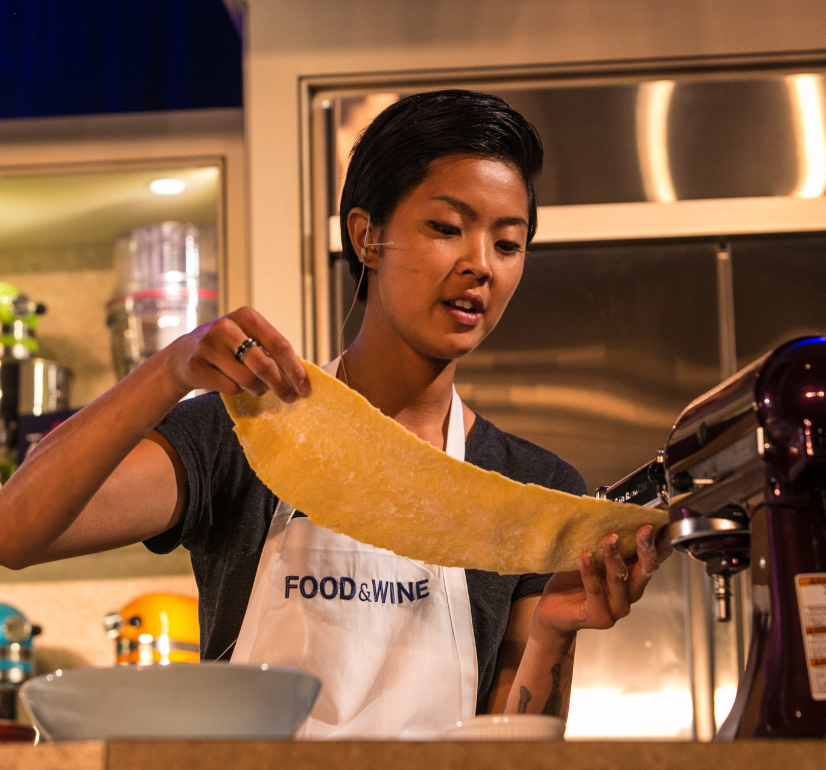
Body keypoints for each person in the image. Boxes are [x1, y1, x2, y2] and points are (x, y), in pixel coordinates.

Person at [0, 90, 670, 738]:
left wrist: (554, 630)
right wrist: (171, 367)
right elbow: (16, 533)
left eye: (508, 243)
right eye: (445, 228)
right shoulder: (244, 433)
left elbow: (513, 757)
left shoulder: (530, 489)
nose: (479, 266)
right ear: (366, 236)